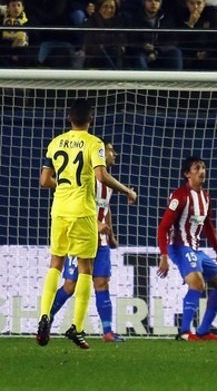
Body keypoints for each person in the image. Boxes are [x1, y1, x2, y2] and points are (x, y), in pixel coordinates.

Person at [36, 99, 137, 349]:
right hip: (82, 212)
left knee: (55, 262)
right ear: (90, 120)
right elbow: (101, 175)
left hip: (59, 210)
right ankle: (76, 327)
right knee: (85, 268)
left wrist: (64, 185)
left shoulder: (55, 142)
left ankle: (43, 316)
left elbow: (44, 180)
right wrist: (127, 191)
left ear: (69, 119)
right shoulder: (94, 143)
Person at [48, 140, 126, 343]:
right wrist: (95, 224)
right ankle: (47, 319)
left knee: (101, 282)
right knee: (70, 285)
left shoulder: (108, 183)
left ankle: (108, 332)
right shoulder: (86, 178)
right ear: (100, 153)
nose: (113, 153)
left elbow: (105, 208)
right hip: (81, 237)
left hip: (101, 241)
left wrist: (111, 234)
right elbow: (78, 205)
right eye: (110, 149)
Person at [156, 156, 217, 341]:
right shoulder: (179, 196)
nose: (202, 171)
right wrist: (164, 255)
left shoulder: (205, 197)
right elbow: (163, 227)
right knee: (197, 284)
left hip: (196, 250)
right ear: (187, 174)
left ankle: (203, 331)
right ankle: (184, 332)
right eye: (197, 168)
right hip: (179, 247)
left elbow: (208, 226)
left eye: (203, 167)